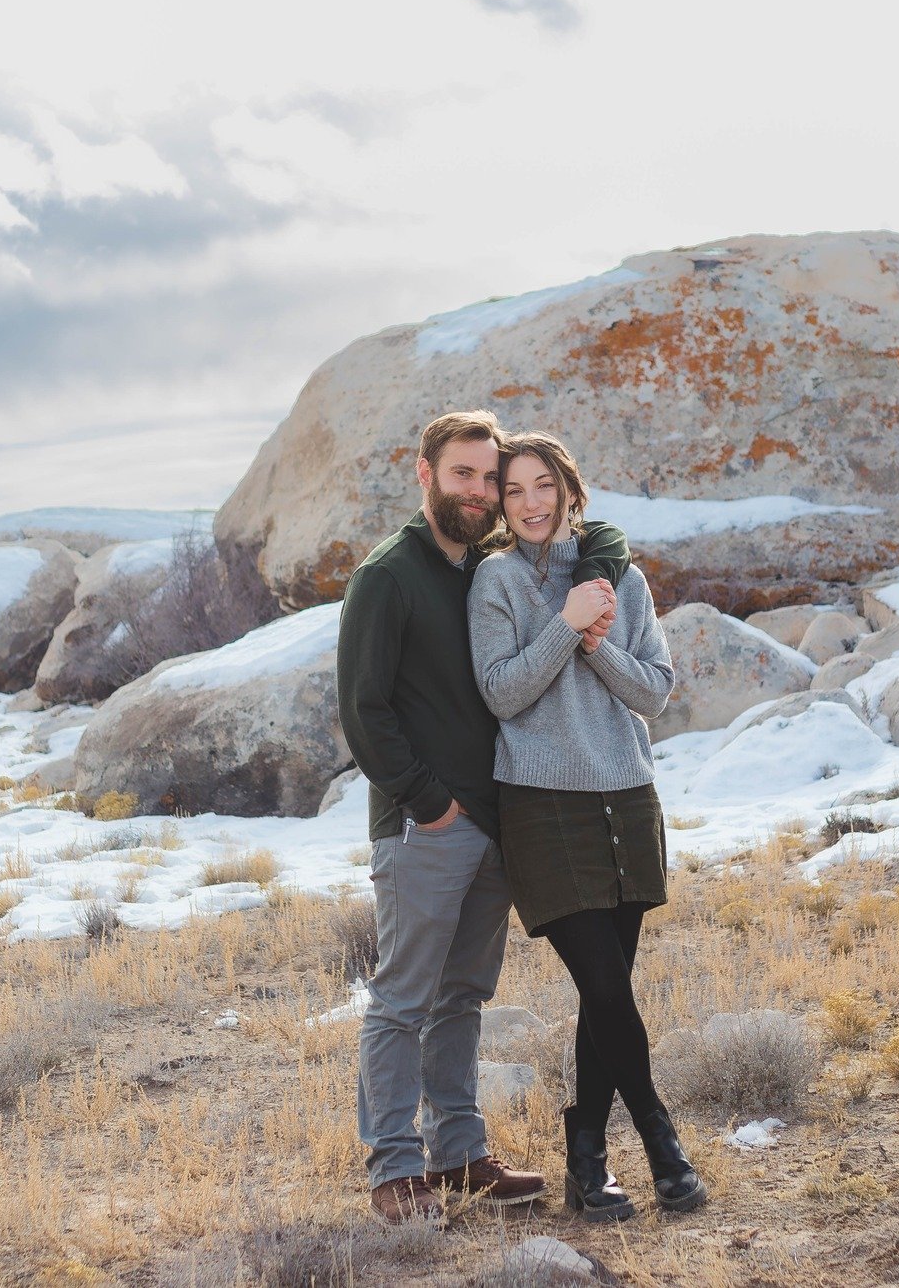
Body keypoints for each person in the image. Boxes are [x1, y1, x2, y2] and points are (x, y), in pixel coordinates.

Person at [335, 410, 632, 1225]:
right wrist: (430, 804)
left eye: (487, 479)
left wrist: (605, 562)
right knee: (402, 998)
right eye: (462, 474)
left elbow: (592, 535)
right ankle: (395, 1169)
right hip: (426, 825)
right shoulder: (388, 575)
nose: (478, 491)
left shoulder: (483, 567)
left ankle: (460, 1154)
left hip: (496, 818)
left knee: (462, 995)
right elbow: (364, 711)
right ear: (424, 473)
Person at [466, 431, 705, 1222]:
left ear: (571, 488)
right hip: (544, 806)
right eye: (515, 491)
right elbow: (503, 692)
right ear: (503, 505)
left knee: (609, 998)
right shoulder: (496, 579)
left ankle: (586, 1165)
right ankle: (662, 1143)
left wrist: (597, 638)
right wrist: (565, 624)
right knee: (602, 983)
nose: (532, 503)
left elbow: (655, 692)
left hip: (626, 799)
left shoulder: (624, 579)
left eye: (545, 486)